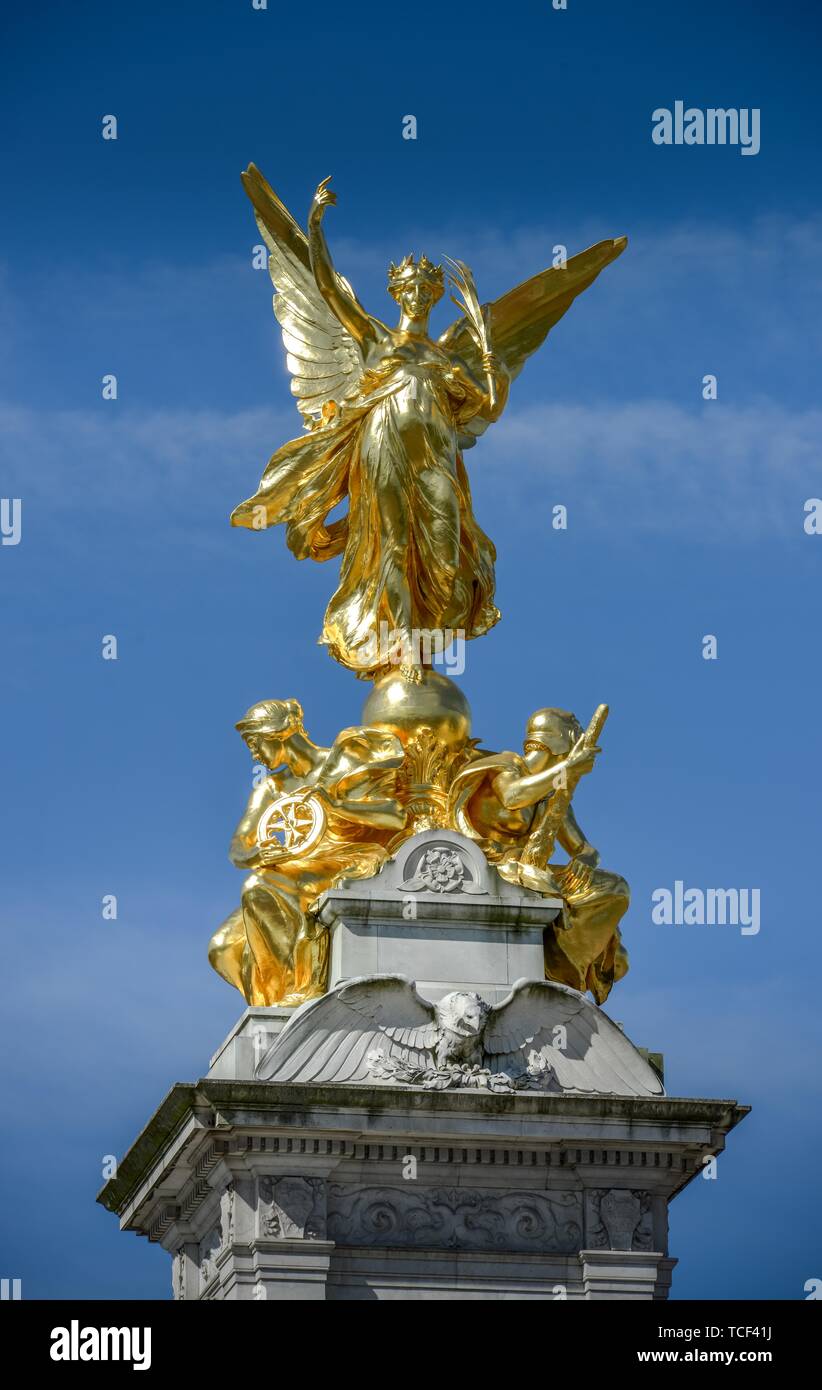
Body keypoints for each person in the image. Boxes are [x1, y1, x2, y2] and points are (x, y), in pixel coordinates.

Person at [208, 698, 406, 1006]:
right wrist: (257, 855)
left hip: (345, 859)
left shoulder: (343, 763)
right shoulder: (271, 787)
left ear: (279, 734)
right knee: (222, 949)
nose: (255, 754)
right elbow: (238, 847)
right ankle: (275, 1003)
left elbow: (394, 817)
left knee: (258, 887)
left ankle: (301, 992)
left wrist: (335, 805)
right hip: (294, 868)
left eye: (256, 743)